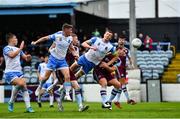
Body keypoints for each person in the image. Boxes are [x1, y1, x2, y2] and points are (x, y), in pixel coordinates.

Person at [31, 23, 78, 101]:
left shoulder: (70, 38)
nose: (71, 31)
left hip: (62, 60)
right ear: (65, 30)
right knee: (45, 77)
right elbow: (45, 38)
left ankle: (67, 94)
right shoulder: (57, 35)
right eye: (70, 30)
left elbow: (71, 48)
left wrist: (76, 55)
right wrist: (36, 42)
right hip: (53, 59)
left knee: (67, 76)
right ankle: (40, 86)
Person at [47, 34, 89, 112]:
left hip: (69, 70)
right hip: (60, 69)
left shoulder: (76, 48)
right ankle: (60, 102)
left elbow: (77, 60)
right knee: (66, 86)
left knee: (76, 87)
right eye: (75, 39)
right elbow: (51, 52)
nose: (77, 41)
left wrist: (78, 58)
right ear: (71, 39)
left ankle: (80, 106)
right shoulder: (63, 46)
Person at [3, 33, 34, 112]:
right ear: (10, 39)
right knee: (21, 83)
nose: (17, 39)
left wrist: (29, 57)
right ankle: (11, 102)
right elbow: (12, 55)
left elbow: (26, 59)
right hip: (9, 72)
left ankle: (28, 107)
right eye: (15, 38)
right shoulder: (6, 48)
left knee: (24, 86)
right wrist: (20, 48)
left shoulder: (18, 49)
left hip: (19, 72)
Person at [112, 35, 136, 108]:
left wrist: (131, 64)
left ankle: (116, 100)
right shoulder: (114, 48)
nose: (121, 41)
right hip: (118, 68)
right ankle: (128, 99)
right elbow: (111, 57)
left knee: (120, 85)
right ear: (118, 40)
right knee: (123, 83)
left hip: (123, 68)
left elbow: (129, 58)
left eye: (123, 40)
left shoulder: (126, 50)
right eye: (120, 39)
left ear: (124, 41)